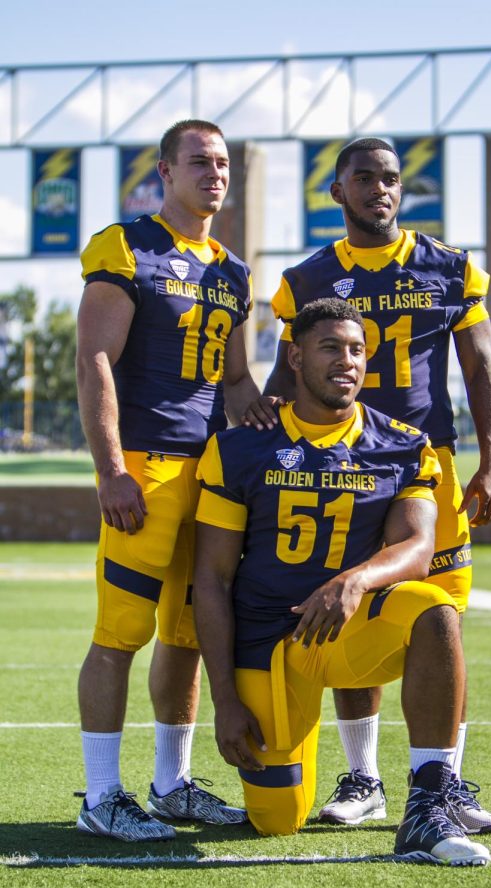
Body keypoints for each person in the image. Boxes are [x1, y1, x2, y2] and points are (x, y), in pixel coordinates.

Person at [244, 138, 491, 833]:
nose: (379, 190)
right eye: (364, 178)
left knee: (439, 618)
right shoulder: (308, 277)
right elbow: (283, 375)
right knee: (350, 608)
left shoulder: (447, 268)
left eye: (390, 179)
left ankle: (443, 783)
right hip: (344, 468)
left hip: (428, 461)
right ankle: (364, 778)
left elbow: (480, 369)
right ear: (337, 191)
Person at [193, 298, 490, 866]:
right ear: (296, 357)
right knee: (277, 823)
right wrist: (224, 699)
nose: (347, 360)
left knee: (433, 608)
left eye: (357, 350)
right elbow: (210, 578)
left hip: (343, 633)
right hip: (267, 645)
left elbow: (418, 549)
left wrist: (354, 581)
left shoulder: (402, 445)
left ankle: (428, 802)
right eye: (331, 347)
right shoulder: (240, 447)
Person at [75, 119, 260, 841]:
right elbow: (94, 358)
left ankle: (172, 784)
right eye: (199, 161)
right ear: (164, 172)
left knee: (185, 634)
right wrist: (111, 468)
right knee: (119, 634)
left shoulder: (232, 270)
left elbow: (237, 379)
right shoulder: (128, 246)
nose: (214, 173)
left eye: (222, 163)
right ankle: (100, 796)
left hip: (210, 475)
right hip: (147, 468)